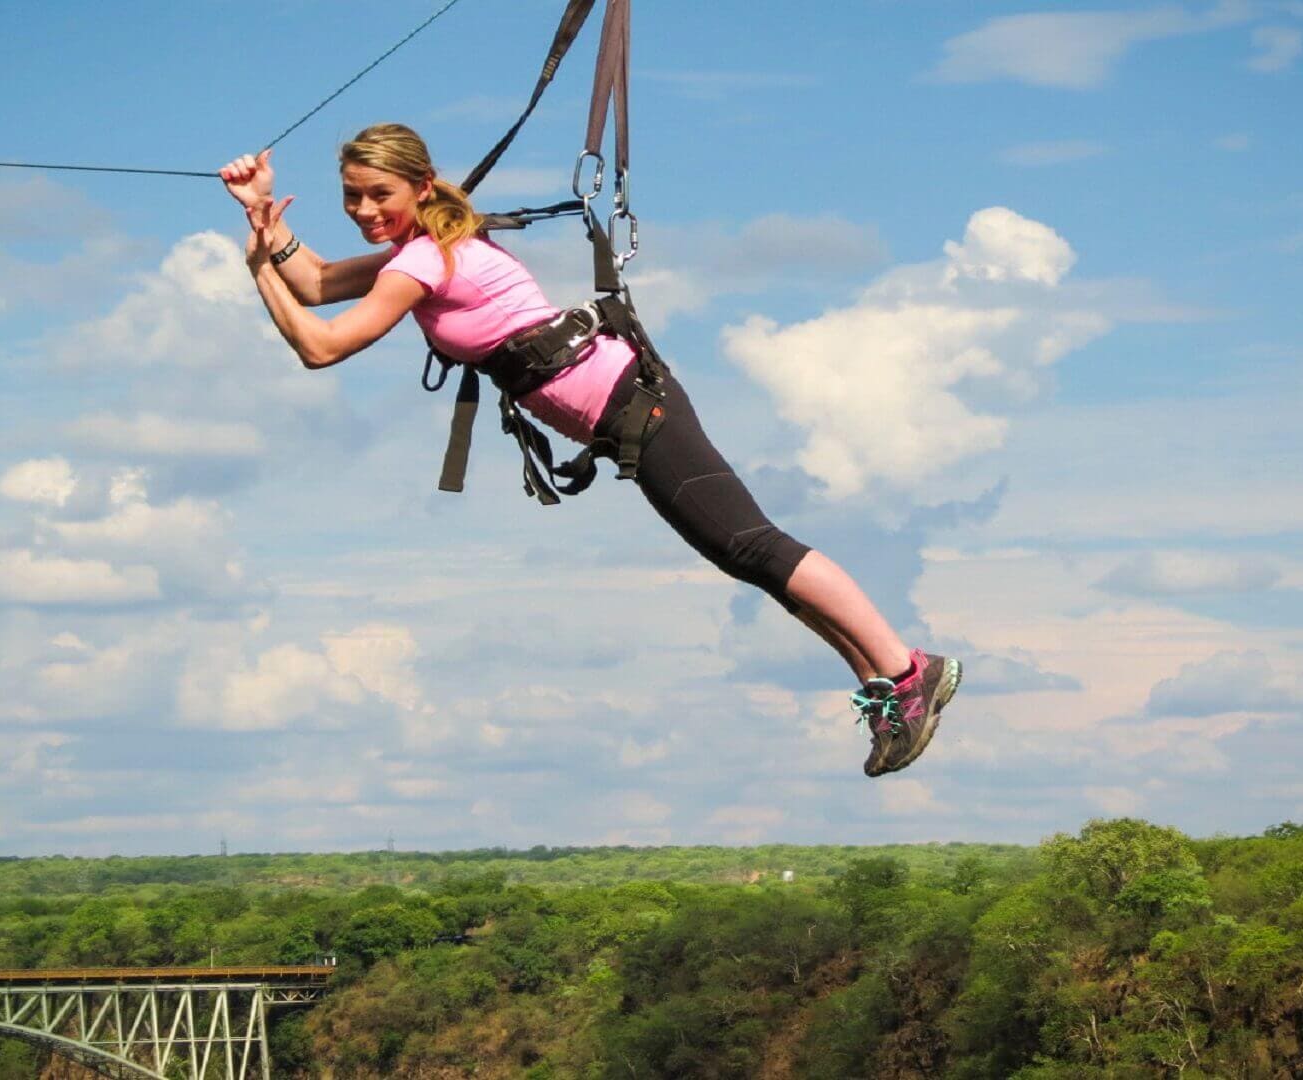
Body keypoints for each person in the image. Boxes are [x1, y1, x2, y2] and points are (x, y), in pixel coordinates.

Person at [219, 123, 958, 777]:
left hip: (635, 405)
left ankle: (904, 668)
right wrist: (263, 219)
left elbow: (320, 346)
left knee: (755, 545)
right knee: (745, 557)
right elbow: (313, 282)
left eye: (377, 194)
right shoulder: (424, 249)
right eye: (350, 197)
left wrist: (256, 266)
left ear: (418, 187)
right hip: (627, 406)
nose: (362, 212)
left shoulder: (424, 262)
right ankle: (888, 681)